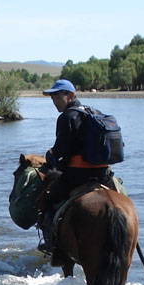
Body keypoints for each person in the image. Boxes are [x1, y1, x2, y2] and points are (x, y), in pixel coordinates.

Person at [38, 78, 118, 253]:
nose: (54, 101)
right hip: (104, 174)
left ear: (71, 95)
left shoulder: (66, 117)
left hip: (77, 176)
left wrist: (49, 160)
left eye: (57, 97)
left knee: (48, 198)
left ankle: (52, 244)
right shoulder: (93, 112)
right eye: (52, 98)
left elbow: (61, 154)